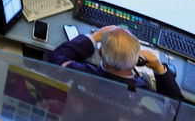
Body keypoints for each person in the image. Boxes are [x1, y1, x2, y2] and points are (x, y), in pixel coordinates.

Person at [47, 25, 182, 100]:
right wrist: (159, 68)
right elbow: (177, 108)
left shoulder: (84, 74)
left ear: (100, 53)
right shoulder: (144, 95)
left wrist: (94, 37)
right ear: (137, 60)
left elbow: (57, 59)